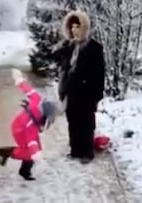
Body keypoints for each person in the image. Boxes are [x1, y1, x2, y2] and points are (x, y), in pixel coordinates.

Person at [52, 10, 105, 164]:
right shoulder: (69, 46)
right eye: (72, 27)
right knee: (73, 121)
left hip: (86, 93)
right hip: (71, 91)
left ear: (84, 28)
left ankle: (86, 152)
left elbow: (99, 73)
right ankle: (75, 150)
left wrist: (96, 94)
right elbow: (61, 65)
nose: (74, 30)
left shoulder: (94, 47)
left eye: (78, 26)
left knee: (86, 122)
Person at [0, 69, 58, 181]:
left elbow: (28, 90)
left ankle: (25, 170)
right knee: (27, 152)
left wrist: (19, 80)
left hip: (23, 125)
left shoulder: (38, 101)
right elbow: (31, 140)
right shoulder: (32, 123)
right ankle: (5, 152)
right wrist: (35, 153)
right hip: (20, 130)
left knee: (34, 149)